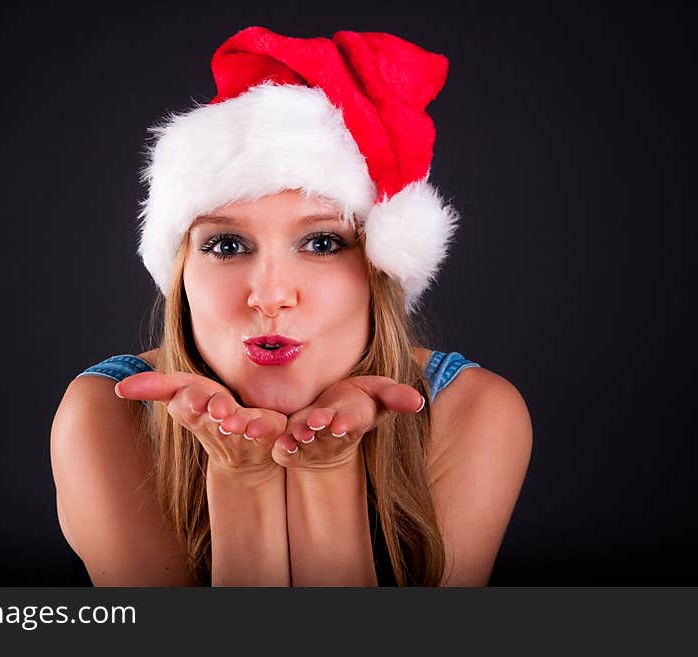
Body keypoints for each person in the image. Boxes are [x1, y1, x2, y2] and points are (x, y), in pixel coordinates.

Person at [50, 26, 532, 587]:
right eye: (227, 246)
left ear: (378, 270)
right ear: (182, 274)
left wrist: (325, 471)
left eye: (322, 243)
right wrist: (240, 478)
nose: (271, 295)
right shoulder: (106, 413)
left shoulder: (471, 410)